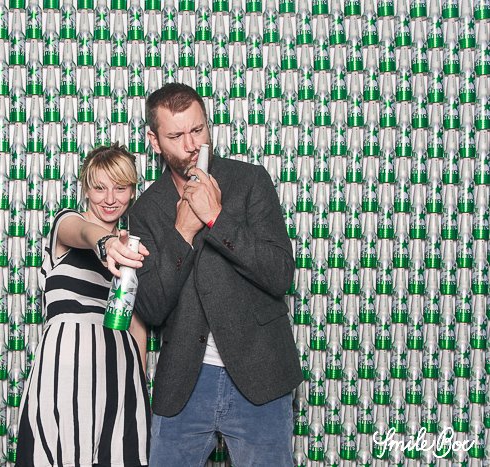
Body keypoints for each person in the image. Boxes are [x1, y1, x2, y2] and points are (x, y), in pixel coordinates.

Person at [129, 83, 303, 466]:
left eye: (198, 129)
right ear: (154, 141)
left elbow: (279, 274)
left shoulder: (250, 181)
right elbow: (152, 307)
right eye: (176, 136)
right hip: (185, 382)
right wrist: (182, 232)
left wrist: (216, 218)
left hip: (261, 373)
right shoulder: (146, 210)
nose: (192, 145)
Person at [16, 143, 151, 467]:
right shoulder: (67, 225)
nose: (110, 198)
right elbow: (83, 231)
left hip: (118, 370)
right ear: (86, 189)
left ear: (133, 191)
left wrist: (137, 387)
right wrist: (105, 242)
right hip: (65, 367)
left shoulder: (132, 247)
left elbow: (136, 327)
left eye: (120, 188)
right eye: (100, 188)